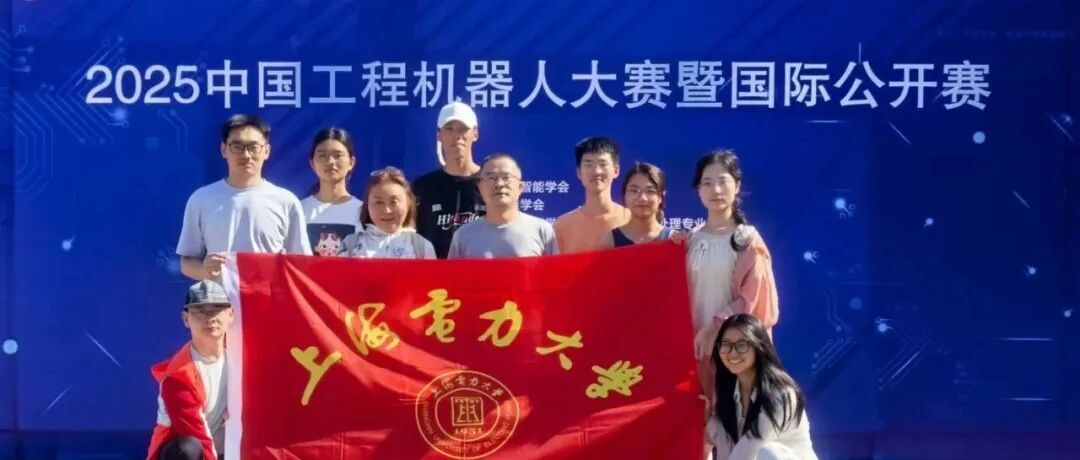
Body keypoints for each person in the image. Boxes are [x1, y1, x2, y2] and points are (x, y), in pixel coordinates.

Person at [177, 114, 311, 281]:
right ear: (224, 150)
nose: (246, 155)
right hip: (219, 297)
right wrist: (205, 270)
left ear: (266, 151)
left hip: (269, 296)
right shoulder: (201, 199)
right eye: (237, 147)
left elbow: (303, 264)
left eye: (254, 147)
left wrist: (285, 266)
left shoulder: (286, 201)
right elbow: (186, 262)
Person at [708, 314, 817, 460]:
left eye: (742, 345)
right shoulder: (729, 393)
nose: (732, 352)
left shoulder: (781, 395)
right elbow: (726, 451)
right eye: (726, 344)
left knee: (768, 452)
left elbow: (749, 449)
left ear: (759, 347)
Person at [147, 281, 234, 460]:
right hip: (193, 450)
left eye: (217, 309)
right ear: (186, 319)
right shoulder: (178, 378)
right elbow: (199, 436)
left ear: (230, 314)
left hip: (222, 446)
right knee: (187, 449)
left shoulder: (239, 357)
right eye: (200, 311)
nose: (210, 318)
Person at [447, 153, 558, 258]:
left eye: (506, 177)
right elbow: (452, 272)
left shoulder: (542, 230)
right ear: (480, 187)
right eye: (491, 178)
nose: (499, 184)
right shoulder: (463, 235)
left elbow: (555, 271)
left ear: (520, 187)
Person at [412, 101, 485, 258]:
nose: (456, 136)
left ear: (475, 133)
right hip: (433, 272)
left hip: (480, 271)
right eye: (449, 129)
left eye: (463, 129)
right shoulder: (422, 187)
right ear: (439, 134)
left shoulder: (490, 183)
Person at [553, 136, 630, 253]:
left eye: (603, 164)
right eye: (589, 165)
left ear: (616, 170)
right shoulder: (562, 226)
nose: (596, 171)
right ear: (579, 172)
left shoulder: (631, 219)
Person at [341, 167, 436, 259]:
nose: (387, 210)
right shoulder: (350, 245)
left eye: (394, 202)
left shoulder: (422, 247)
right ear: (367, 205)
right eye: (379, 202)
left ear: (408, 204)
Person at [300, 127, 362, 257]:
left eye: (338, 155)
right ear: (312, 163)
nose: (330, 162)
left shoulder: (364, 212)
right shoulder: (299, 210)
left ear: (351, 162)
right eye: (322, 155)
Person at [611, 162, 673, 247]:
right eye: (634, 190)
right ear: (625, 195)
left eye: (650, 191)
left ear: (660, 197)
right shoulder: (608, 241)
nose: (642, 198)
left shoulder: (674, 240)